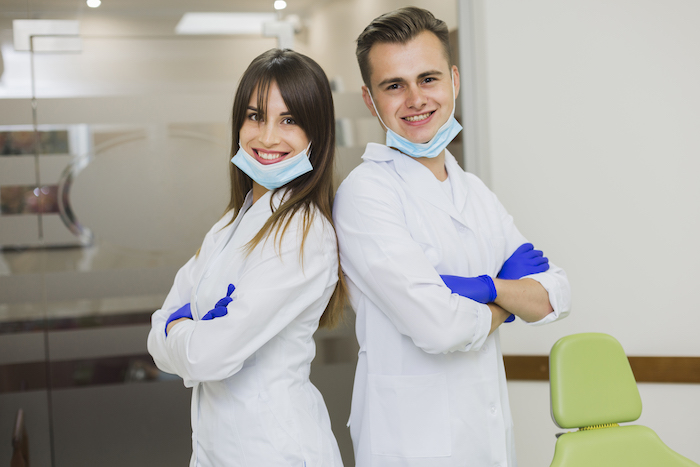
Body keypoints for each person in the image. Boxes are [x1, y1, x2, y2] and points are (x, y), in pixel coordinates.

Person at [333, 7, 571, 467]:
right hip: (410, 448)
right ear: (369, 99)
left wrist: (485, 289)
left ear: (454, 81)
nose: (415, 99)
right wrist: (508, 296)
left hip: (487, 440)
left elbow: (554, 295)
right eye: (393, 85)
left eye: (428, 78)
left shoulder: (475, 192)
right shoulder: (366, 195)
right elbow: (439, 328)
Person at [147, 48, 346, 467]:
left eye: (289, 120)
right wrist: (191, 331)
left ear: (317, 135)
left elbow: (207, 356)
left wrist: (180, 326)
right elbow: (155, 338)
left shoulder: (305, 234)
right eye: (255, 116)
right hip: (217, 449)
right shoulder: (228, 225)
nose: (267, 136)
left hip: (275, 451)